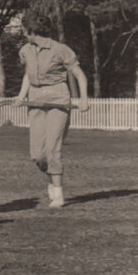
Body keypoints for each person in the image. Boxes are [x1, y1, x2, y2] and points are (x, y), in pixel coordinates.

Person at [13, 11, 90, 208]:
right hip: (36, 101)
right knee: (38, 155)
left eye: (24, 29)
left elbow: (80, 76)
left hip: (58, 100)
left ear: (31, 30)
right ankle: (51, 177)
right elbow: (28, 76)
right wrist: (21, 97)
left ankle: (58, 194)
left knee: (52, 149)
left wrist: (83, 99)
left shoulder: (60, 50)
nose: (23, 33)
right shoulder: (25, 51)